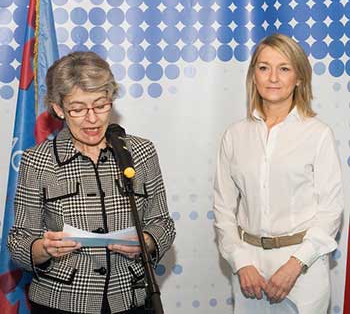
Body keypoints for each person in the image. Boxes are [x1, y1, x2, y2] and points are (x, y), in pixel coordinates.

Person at [8, 51, 176, 314]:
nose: (92, 118)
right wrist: (45, 248)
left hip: (130, 299)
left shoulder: (140, 153)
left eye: (100, 105)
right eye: (77, 109)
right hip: (61, 303)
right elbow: (19, 242)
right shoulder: (36, 161)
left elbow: (163, 224)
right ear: (58, 109)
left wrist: (146, 241)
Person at [213, 33, 343, 314]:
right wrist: (241, 261)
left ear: (299, 78)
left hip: (304, 269)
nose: (273, 77)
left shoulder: (318, 135)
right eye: (263, 67)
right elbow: (223, 208)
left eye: (283, 68)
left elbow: (331, 211)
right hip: (249, 269)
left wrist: (296, 264)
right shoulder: (234, 136)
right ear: (253, 76)